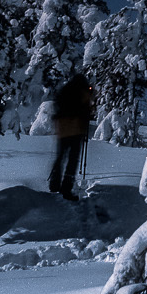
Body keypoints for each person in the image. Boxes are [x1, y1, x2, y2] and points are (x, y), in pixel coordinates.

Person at [46, 71, 95, 201]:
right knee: (72, 161)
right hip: (76, 130)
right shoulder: (82, 93)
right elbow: (87, 109)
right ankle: (66, 188)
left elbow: (57, 105)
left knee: (60, 157)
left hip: (63, 129)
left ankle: (54, 184)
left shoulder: (65, 90)